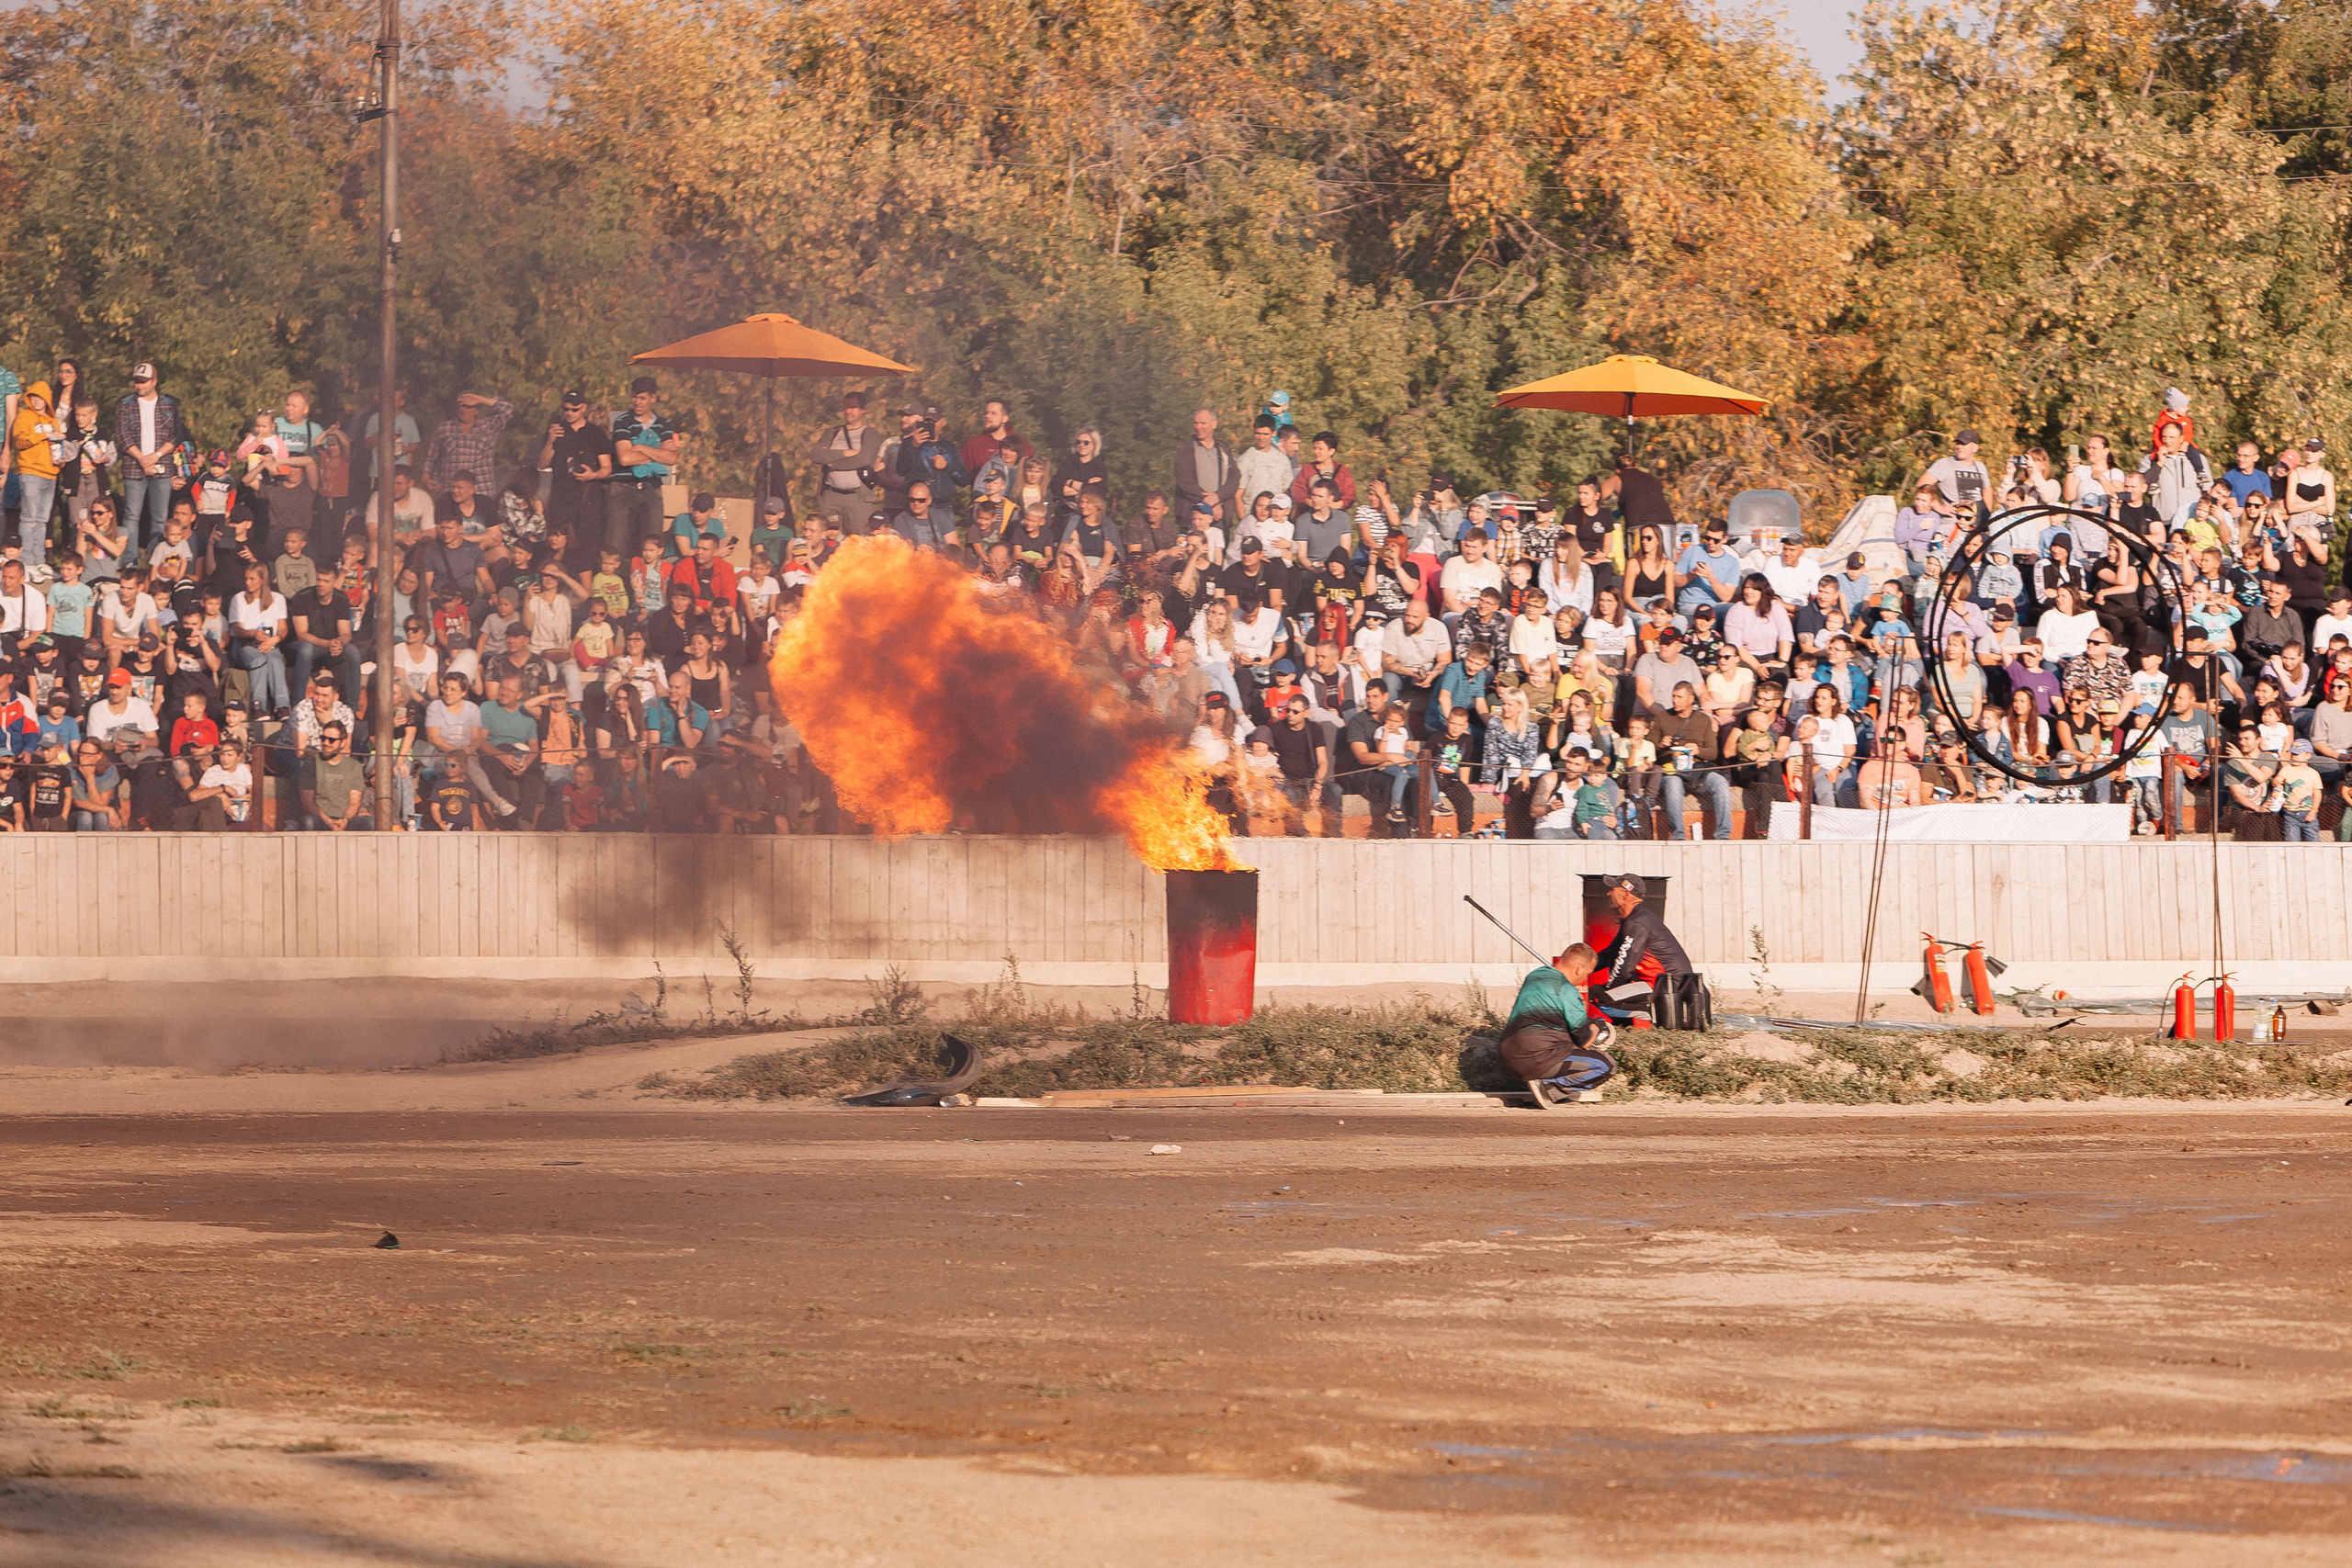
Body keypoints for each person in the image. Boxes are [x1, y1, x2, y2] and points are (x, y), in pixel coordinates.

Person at [1496, 942, 1612, 1104]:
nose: (1585, 978)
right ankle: (1551, 1087)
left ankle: (1542, 1080)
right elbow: (1584, 1041)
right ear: (1579, 968)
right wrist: (1596, 1026)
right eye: (1587, 973)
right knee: (1606, 1065)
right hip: (1537, 1059)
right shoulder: (1567, 990)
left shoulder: (1535, 976)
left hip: (1508, 1057)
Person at [1589, 873, 1694, 1025]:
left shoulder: (1637, 922)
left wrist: (1607, 990)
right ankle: (1623, 1026)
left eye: (1612, 889)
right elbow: (1609, 954)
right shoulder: (1635, 919)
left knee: (1603, 999)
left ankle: (1662, 1012)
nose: (1608, 893)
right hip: (1661, 984)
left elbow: (1624, 966)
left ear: (1626, 894)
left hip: (1668, 988)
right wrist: (1580, 968)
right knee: (1604, 993)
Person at [114, 363, 188, 551]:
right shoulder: (125, 404)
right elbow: (123, 435)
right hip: (134, 466)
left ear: (154, 381)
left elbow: (175, 435)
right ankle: (130, 560)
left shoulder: (169, 405)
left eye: (143, 381)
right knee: (131, 516)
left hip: (162, 467)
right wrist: (141, 459)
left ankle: (155, 557)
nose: (139, 385)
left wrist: (156, 456)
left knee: (160, 517)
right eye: (136, 381)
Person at [1171, 407, 1240, 525]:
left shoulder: (1224, 449)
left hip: (1220, 515)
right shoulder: (1186, 449)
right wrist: (1209, 504)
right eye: (1196, 423)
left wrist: (1218, 497)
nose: (1198, 427)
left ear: (1214, 424)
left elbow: (1235, 477)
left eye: (1202, 423)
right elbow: (1185, 482)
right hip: (1194, 517)